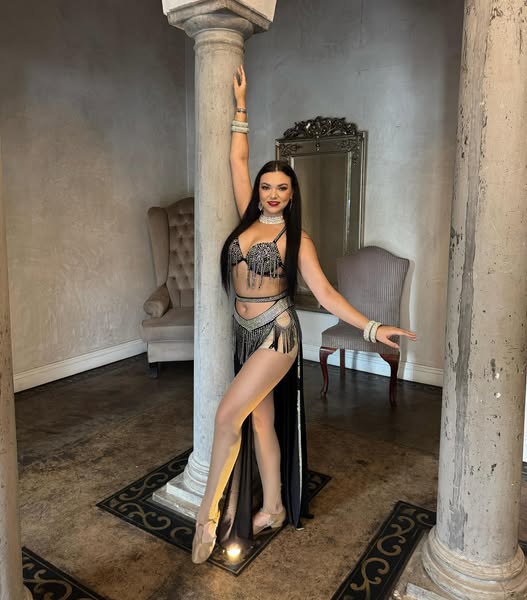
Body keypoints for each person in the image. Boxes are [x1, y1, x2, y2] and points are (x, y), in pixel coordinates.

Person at [191, 65, 416, 564]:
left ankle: (207, 517)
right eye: (266, 186)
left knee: (227, 414)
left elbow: (328, 294)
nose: (272, 194)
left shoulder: (298, 240)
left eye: (282, 189)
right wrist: (241, 105)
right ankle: (272, 506)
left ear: (292, 195)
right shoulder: (246, 221)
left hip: (277, 334)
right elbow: (236, 158)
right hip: (243, 331)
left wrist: (374, 327)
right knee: (260, 422)